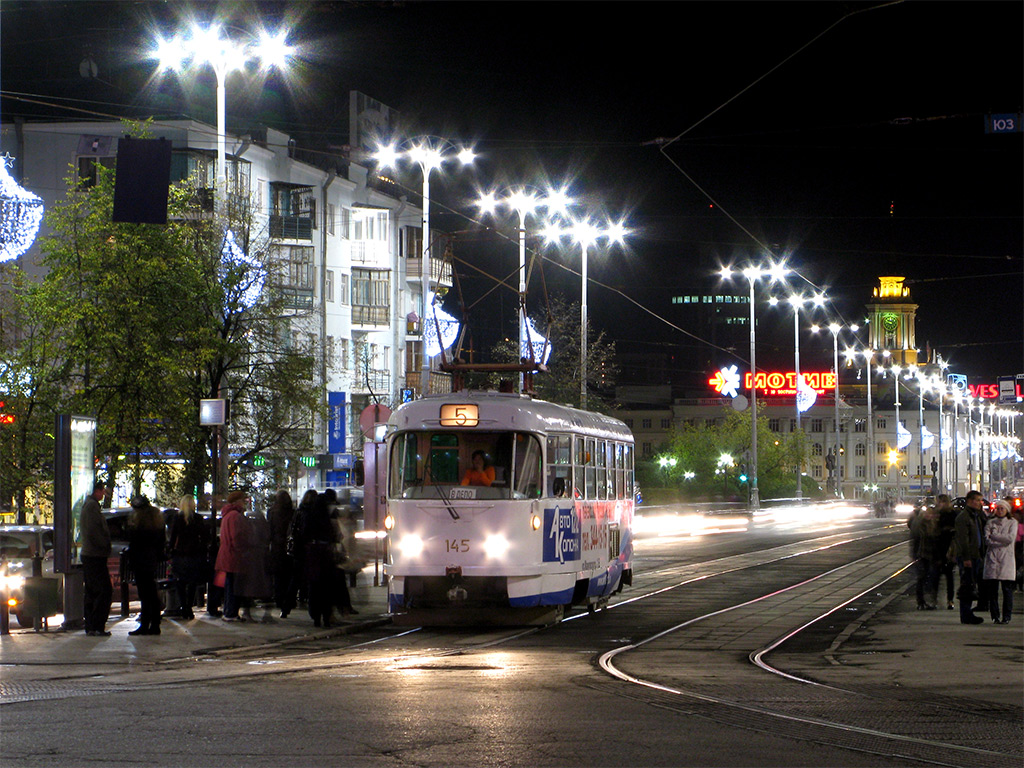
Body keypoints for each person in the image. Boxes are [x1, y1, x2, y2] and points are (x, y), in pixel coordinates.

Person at [292, 491, 337, 628]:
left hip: (312, 554)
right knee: (327, 588)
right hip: (325, 555)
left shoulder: (309, 516)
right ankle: (326, 617)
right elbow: (333, 536)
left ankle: (316, 617)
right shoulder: (326, 519)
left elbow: (303, 534)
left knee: (314, 587)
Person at [127, 495, 166, 636]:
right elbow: (161, 544)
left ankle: (145, 624)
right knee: (152, 592)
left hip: (140, 561)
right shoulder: (157, 524)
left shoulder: (138, 526)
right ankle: (155, 624)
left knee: (144, 594)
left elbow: (133, 543)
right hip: (152, 560)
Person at [167, 496, 209, 620]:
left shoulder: (177, 518)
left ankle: (183, 606)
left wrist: (171, 550)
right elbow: (204, 537)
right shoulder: (198, 518)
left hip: (180, 553)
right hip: (194, 554)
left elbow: (173, 536)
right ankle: (189, 607)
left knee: (180, 581)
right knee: (192, 582)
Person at [80, 481, 112, 637]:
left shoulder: (89, 506)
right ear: (97, 491)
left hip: (90, 554)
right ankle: (97, 625)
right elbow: (94, 531)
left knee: (92, 591)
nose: (103, 495)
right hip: (95, 555)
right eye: (102, 492)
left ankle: (91, 625)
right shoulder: (92, 507)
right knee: (103, 590)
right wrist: (104, 546)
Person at [281, 489, 318, 619]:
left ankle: (285, 609)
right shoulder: (313, 514)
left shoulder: (298, 512)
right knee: (312, 580)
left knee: (295, 580)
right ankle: (311, 608)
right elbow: (307, 532)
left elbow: (292, 531)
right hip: (309, 550)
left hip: (298, 550)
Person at [214, 491, 251, 622]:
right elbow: (237, 537)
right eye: (243, 500)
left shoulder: (227, 515)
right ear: (237, 502)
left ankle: (228, 612)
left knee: (229, 585)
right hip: (234, 556)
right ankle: (231, 613)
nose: (245, 502)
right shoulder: (236, 516)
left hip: (226, 555)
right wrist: (244, 551)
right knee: (234, 586)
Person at [953, 490, 987, 625]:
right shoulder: (964, 518)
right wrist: (966, 558)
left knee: (971, 584)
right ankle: (966, 614)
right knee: (967, 585)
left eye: (980, 500)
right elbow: (962, 539)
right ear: (970, 501)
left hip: (976, 554)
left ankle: (967, 613)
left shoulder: (976, 516)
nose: (979, 503)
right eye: (977, 500)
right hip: (969, 556)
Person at [237, 503, 274, 622]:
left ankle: (247, 612)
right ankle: (266, 615)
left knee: (249, 586)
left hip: (249, 557)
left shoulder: (246, 524)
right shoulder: (262, 526)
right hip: (260, 556)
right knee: (263, 586)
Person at [983, 499, 1017, 624]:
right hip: (992, 558)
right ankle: (995, 616)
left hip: (1006, 559)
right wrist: (997, 539)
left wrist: (994, 535)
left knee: (1007, 590)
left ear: (1007, 510)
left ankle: (1006, 616)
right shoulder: (990, 522)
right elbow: (987, 540)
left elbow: (1010, 538)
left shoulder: (1012, 523)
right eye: (998, 508)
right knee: (993, 591)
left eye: (1002, 508)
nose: (1000, 510)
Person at [267, 490, 295, 613]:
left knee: (278, 575)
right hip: (289, 546)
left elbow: (270, 529)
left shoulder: (272, 512)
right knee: (289, 575)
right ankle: (289, 599)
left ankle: (279, 598)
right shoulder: (292, 513)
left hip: (277, 546)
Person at [909, 504, 940, 610]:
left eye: (930, 514)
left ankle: (932, 601)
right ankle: (921, 601)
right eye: (927, 514)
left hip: (933, 555)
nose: (928, 516)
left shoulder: (934, 526)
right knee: (921, 578)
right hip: (922, 554)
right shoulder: (919, 525)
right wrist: (914, 555)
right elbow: (915, 540)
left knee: (932, 577)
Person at [933, 494, 957, 609]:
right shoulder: (935, 514)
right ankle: (934, 599)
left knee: (949, 576)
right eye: (939, 502)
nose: (940, 504)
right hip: (937, 549)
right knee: (935, 575)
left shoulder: (952, 514)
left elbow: (955, 531)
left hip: (948, 549)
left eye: (942, 502)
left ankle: (950, 600)